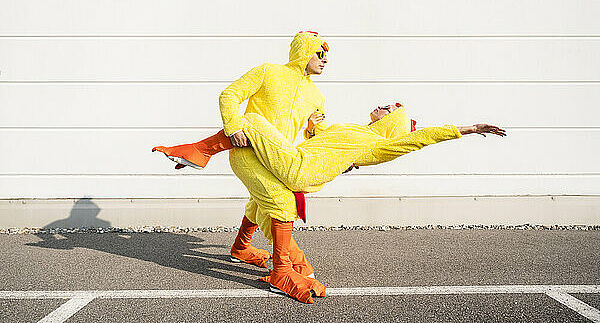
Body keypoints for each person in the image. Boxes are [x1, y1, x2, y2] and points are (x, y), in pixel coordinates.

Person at [153, 103, 506, 302]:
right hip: (298, 158)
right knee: (253, 173)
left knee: (251, 121)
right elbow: (322, 142)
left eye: (388, 108)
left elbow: (418, 140)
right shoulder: (353, 130)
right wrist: (313, 127)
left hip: (298, 169)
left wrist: (466, 129)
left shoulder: (378, 145)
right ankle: (255, 253)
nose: (381, 106)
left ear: (393, 123)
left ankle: (200, 151)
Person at [154, 31, 331, 299]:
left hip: (279, 158)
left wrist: (312, 130)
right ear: (304, 51)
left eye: (327, 55)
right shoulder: (268, 72)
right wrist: (234, 125)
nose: (325, 60)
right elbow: (229, 95)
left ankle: (241, 248)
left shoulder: (316, 95)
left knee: (260, 202)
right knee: (282, 203)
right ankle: (283, 271)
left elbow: (316, 136)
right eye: (320, 53)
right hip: (247, 151)